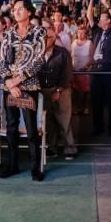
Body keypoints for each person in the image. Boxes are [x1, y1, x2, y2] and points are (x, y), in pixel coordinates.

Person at [0, 0, 47, 181]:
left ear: (29, 12)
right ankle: (13, 165)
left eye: (20, 9)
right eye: (14, 9)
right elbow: (2, 62)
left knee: (31, 127)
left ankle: (35, 168)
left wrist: (18, 80)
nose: (16, 12)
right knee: (11, 127)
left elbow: (39, 60)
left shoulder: (38, 32)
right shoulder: (8, 34)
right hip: (10, 87)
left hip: (29, 85)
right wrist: (10, 82)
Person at [87, 0, 111, 136]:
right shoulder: (97, 32)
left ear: (108, 21)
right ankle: (98, 127)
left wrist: (106, 3)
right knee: (96, 100)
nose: (100, 21)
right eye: (100, 19)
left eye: (102, 19)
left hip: (110, 69)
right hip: (96, 69)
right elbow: (89, 16)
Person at [40, 24, 76, 160]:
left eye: (48, 37)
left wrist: (59, 90)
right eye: (43, 37)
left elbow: (67, 74)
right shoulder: (36, 52)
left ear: (54, 38)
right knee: (48, 121)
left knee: (64, 121)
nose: (44, 39)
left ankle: (70, 149)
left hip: (62, 90)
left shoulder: (63, 52)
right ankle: (52, 148)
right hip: (43, 92)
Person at [71, 22, 93, 115]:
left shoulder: (89, 43)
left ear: (86, 34)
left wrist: (86, 67)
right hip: (75, 71)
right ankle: (77, 107)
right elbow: (71, 56)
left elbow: (92, 57)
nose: (80, 34)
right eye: (79, 32)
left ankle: (86, 107)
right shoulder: (74, 43)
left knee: (85, 91)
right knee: (75, 90)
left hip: (85, 71)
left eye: (82, 33)